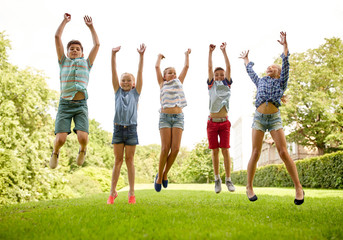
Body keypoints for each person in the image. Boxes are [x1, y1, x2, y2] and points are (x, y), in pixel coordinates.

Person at [239, 32, 304, 205]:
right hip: (259, 118)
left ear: (278, 73)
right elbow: (250, 72)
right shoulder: (260, 81)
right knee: (255, 152)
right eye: (268, 66)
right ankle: (249, 187)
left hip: (274, 118)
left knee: (283, 152)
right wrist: (246, 59)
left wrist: (284, 47)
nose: (269, 67)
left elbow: (285, 63)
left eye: (273, 67)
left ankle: (298, 187)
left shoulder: (281, 82)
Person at [50, 13, 100, 169]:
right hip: (65, 104)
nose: (74, 50)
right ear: (67, 52)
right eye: (71, 49)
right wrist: (64, 21)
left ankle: (83, 150)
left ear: (82, 53)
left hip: (80, 105)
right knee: (60, 140)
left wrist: (91, 27)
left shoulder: (87, 63)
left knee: (83, 137)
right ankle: (55, 152)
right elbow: (57, 37)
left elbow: (97, 45)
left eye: (77, 49)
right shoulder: (63, 62)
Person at [107, 44, 146, 204]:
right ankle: (112, 192)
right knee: (118, 161)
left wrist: (141, 57)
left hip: (131, 129)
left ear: (133, 83)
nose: (125, 82)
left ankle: (131, 193)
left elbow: (140, 73)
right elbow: (113, 72)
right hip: (118, 129)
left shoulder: (136, 93)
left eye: (128, 80)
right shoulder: (117, 91)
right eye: (123, 80)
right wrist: (113, 55)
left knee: (129, 160)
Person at [154, 49, 191, 192]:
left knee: (175, 149)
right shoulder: (162, 84)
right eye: (170, 72)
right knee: (165, 148)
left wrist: (186, 55)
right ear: (164, 76)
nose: (174, 74)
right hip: (164, 118)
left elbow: (186, 67)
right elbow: (156, 67)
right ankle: (159, 177)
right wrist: (159, 57)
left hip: (178, 117)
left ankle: (164, 173)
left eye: (174, 72)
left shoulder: (179, 82)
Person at [207, 42, 235, 194]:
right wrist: (210, 52)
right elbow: (209, 68)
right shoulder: (211, 85)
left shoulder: (227, 84)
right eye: (217, 75)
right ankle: (217, 179)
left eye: (221, 75)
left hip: (224, 123)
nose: (218, 76)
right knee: (215, 152)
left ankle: (228, 179)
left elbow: (229, 68)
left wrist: (224, 51)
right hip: (212, 123)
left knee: (225, 150)